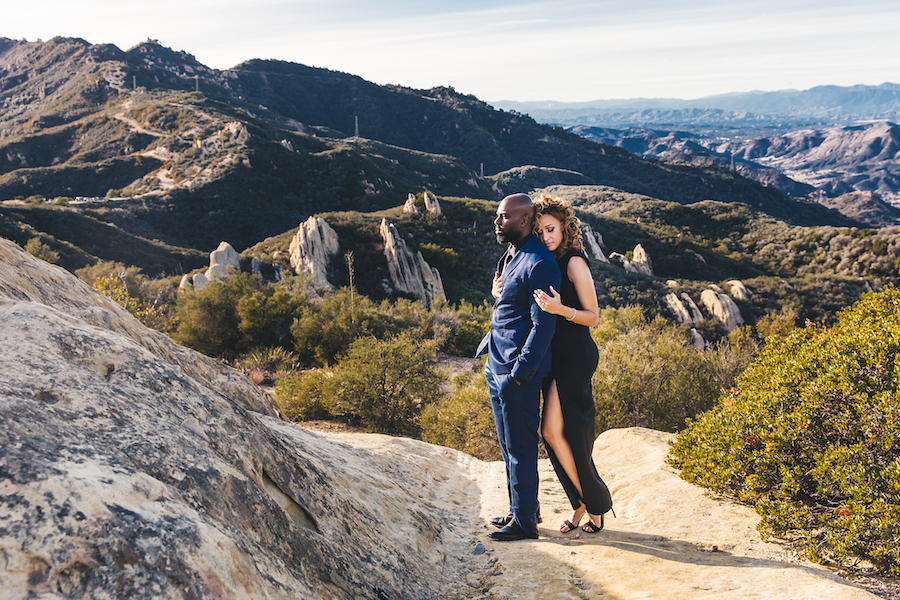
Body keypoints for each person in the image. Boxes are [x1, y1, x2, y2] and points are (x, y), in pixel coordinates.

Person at [476, 193, 561, 541]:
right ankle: (521, 510)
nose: (497, 222)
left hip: (517, 372)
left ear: (524, 221)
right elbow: (509, 306)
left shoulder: (540, 263)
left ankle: (525, 525)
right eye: (498, 216)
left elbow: (544, 326)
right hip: (496, 364)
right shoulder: (511, 256)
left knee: (521, 447)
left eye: (504, 217)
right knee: (508, 446)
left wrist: (519, 375)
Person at [532, 194, 613, 534]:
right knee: (552, 433)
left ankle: (594, 507)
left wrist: (560, 309)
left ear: (564, 227)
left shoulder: (574, 263)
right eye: (540, 233)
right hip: (555, 356)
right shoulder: (544, 261)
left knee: (565, 432)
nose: (546, 237)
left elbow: (593, 317)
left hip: (576, 355)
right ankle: (581, 502)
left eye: (551, 229)